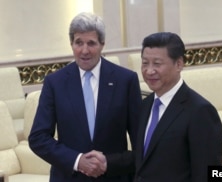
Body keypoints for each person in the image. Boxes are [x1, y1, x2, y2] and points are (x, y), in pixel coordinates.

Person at [28, 12, 142, 182]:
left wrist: (108, 163)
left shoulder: (126, 80)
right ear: (71, 44)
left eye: (91, 43)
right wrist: (77, 161)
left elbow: (141, 142)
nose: (84, 50)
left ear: (102, 44)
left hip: (114, 177)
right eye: (78, 43)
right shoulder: (55, 83)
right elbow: (38, 138)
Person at [133, 32, 222, 182]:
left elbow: (205, 172)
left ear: (179, 64)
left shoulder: (200, 111)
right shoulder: (146, 104)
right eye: (144, 63)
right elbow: (145, 160)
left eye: (157, 63)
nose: (149, 71)